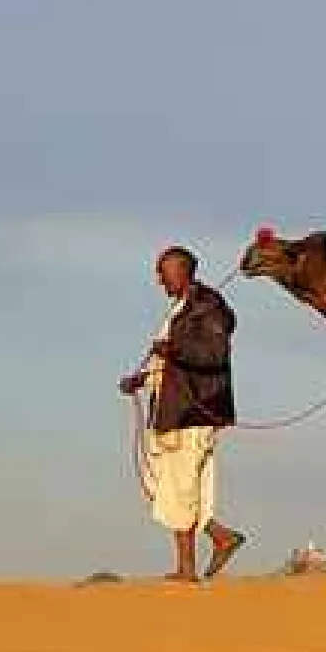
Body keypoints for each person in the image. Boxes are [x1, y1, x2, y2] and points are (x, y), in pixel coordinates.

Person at [118, 245, 245, 581]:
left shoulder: (208, 308)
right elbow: (172, 365)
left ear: (179, 271)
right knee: (177, 487)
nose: (160, 281)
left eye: (163, 274)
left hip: (192, 412)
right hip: (173, 409)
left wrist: (174, 349)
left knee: (180, 488)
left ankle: (187, 569)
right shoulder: (181, 310)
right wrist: (141, 381)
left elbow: (214, 354)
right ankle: (220, 537)